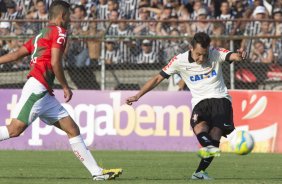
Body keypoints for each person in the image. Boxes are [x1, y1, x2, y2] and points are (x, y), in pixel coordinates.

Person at [0, 0, 122, 181]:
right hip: (38, 88)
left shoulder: (40, 34)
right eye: (69, 16)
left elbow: (17, 54)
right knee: (14, 130)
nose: (70, 20)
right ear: (62, 16)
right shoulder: (60, 32)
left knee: (72, 129)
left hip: (44, 91)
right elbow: (56, 61)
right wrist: (65, 86)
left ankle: (97, 173)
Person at [125, 32, 247, 180]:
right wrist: (138, 95)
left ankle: (200, 171)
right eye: (198, 54)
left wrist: (239, 55)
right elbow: (158, 77)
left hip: (220, 99)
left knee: (215, 135)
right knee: (199, 127)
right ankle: (207, 151)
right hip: (200, 102)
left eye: (204, 54)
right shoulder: (179, 60)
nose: (201, 58)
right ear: (191, 48)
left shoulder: (216, 53)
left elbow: (232, 55)